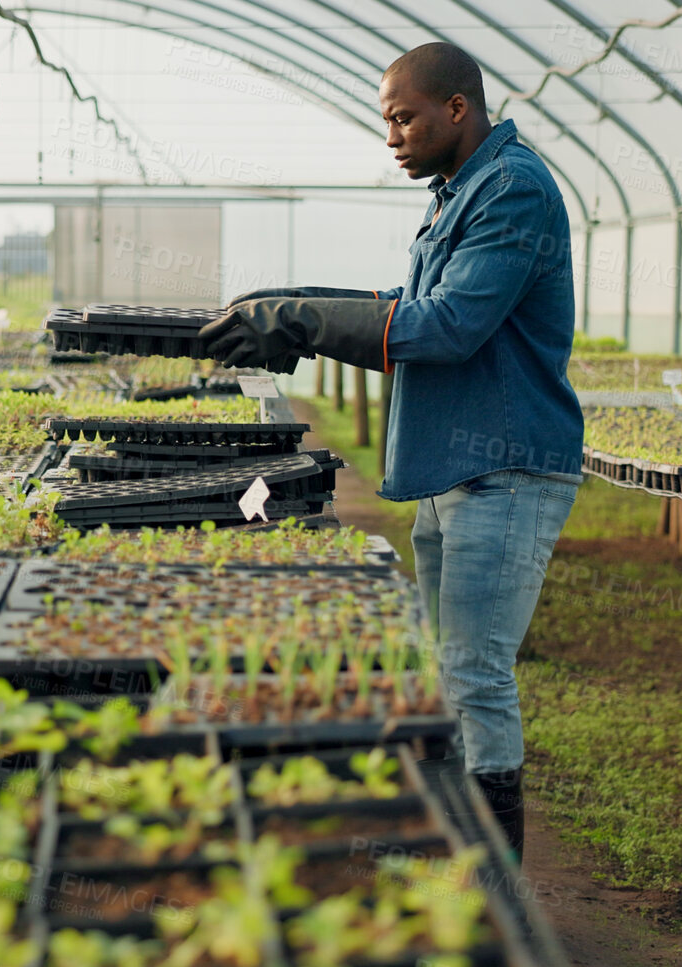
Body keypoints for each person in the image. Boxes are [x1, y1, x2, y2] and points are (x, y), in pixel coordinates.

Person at [200, 41, 583, 863]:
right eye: (387, 120)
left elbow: (444, 329)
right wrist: (287, 305)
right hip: (459, 464)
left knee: (477, 671)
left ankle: (491, 880)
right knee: (451, 668)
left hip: (505, 466)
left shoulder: (511, 189)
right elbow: (409, 304)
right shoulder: (463, 189)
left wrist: (299, 321)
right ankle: (453, 847)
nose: (393, 137)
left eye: (404, 117)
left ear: (457, 108)